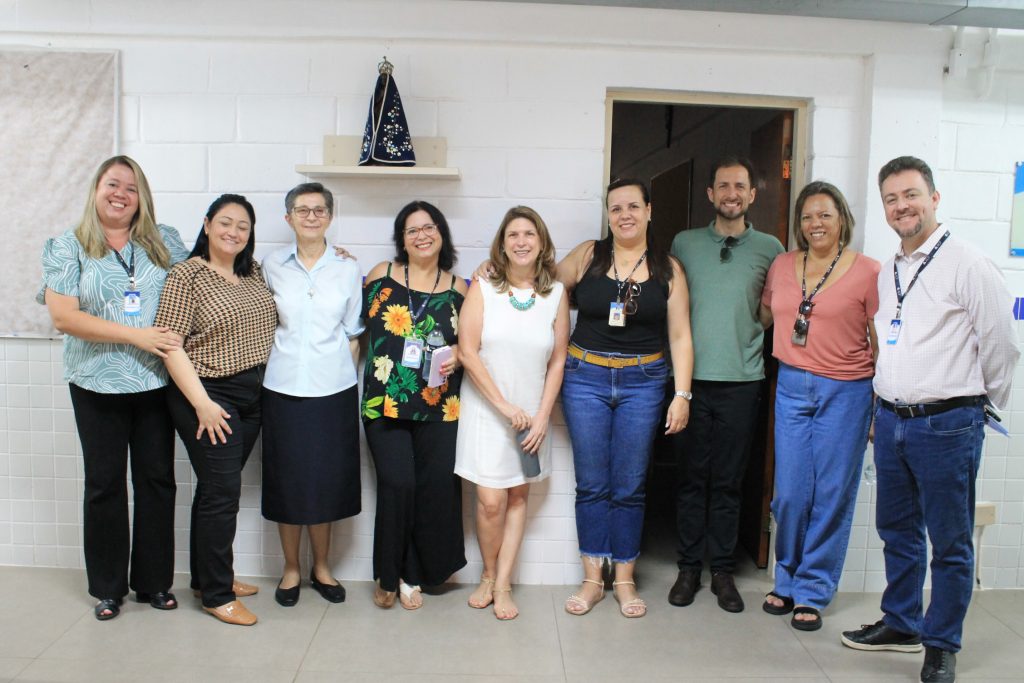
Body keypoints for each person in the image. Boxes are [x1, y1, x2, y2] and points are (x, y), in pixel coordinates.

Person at [840, 157, 1019, 683]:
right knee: (897, 530)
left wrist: (979, 404)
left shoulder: (968, 263)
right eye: (892, 199)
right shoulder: (893, 267)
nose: (902, 206)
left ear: (935, 198)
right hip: (892, 421)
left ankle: (941, 643)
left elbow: (1003, 346)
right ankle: (901, 623)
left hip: (947, 425)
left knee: (950, 539)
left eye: (911, 195)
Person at [40, 155, 187, 621]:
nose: (120, 194)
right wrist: (136, 335)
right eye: (112, 184)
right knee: (104, 484)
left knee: (157, 481)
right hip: (95, 384)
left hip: (155, 383)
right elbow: (64, 317)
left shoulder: (165, 242)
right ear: (96, 189)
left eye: (131, 187)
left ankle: (153, 584)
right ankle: (108, 588)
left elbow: (204, 281)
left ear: (141, 196)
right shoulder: (67, 246)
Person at [558, 178, 693, 618]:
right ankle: (593, 579)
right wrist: (491, 271)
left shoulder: (668, 268)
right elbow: (537, 285)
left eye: (633, 206)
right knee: (593, 483)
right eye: (616, 209)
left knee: (630, 485)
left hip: (645, 381)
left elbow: (680, 336)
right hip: (585, 377)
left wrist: (682, 394)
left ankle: (625, 580)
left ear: (649, 211)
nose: (625, 215)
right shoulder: (587, 255)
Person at [758, 181, 880, 631]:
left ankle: (811, 589)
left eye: (825, 215)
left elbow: (879, 340)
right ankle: (785, 577)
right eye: (808, 217)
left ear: (842, 219)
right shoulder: (783, 265)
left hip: (846, 391)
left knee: (831, 494)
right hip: (791, 385)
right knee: (790, 493)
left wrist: (878, 406)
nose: (816, 224)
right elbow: (766, 315)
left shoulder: (869, 271)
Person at [669, 156, 785, 613]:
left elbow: (773, 305)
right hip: (689, 382)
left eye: (740, 186)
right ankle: (688, 568)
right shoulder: (685, 242)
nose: (731, 193)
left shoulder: (771, 248)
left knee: (729, 482)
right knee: (691, 479)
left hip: (742, 379)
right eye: (723, 186)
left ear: (752, 195)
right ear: (710, 194)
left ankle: (722, 572)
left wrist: (751, 329)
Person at [156, 194, 277, 626]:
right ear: (206, 225)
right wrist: (203, 403)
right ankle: (217, 594)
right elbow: (169, 344)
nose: (234, 232)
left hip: (252, 393)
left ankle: (206, 577)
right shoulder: (186, 275)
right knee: (223, 493)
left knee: (215, 488)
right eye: (225, 223)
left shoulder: (252, 273)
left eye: (243, 226)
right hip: (206, 393)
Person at [455, 206, 570, 621]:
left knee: (519, 494)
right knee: (490, 502)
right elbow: (468, 352)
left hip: (532, 415)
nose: (521, 242)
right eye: (513, 235)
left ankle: (502, 584)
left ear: (541, 243)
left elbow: (558, 360)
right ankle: (487, 574)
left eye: (529, 234)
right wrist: (504, 407)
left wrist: (542, 417)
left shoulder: (555, 293)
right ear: (502, 245)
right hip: (489, 411)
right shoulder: (483, 287)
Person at [361, 200, 467, 611]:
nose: (421, 236)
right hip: (384, 401)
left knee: (434, 489)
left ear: (442, 233)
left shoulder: (461, 288)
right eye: (411, 230)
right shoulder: (380, 276)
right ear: (401, 240)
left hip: (439, 406)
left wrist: (459, 352)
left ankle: (418, 572)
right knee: (398, 484)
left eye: (429, 228)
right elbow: (353, 328)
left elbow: (475, 343)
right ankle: (391, 575)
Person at [261, 183, 363, 607]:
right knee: (287, 482)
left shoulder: (348, 268)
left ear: (330, 217)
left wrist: (336, 373)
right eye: (302, 210)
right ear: (288, 219)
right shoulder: (270, 265)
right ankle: (291, 568)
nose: (311, 216)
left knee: (325, 483)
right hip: (282, 388)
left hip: (333, 391)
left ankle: (322, 567)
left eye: (319, 210)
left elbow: (354, 332)